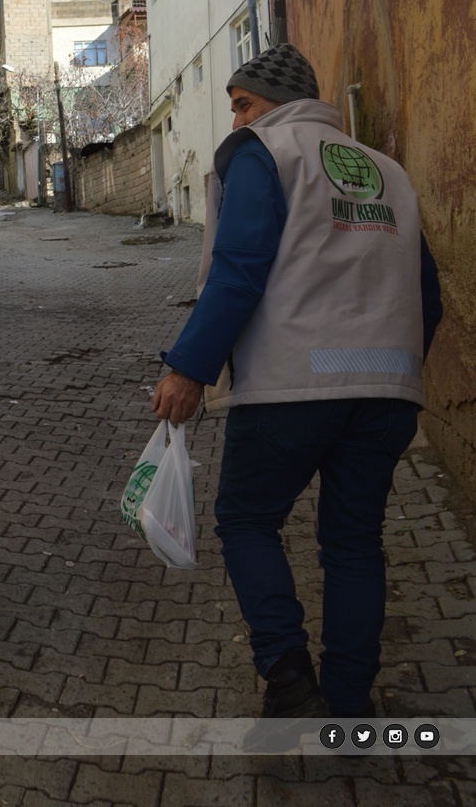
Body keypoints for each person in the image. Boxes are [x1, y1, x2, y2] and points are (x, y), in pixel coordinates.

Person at [151, 43, 443, 744]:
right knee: (354, 542)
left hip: (291, 387)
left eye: (242, 104)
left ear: (277, 104)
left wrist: (188, 369)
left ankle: (288, 679)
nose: (235, 120)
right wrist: (393, 369)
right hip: (388, 391)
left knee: (246, 521)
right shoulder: (387, 171)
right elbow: (428, 293)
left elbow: (239, 268)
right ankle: (349, 704)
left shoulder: (265, 152)